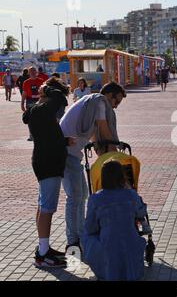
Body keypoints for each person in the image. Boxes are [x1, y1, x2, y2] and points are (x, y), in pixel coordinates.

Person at [60, 81, 127, 251]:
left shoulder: (92, 102)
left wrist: (107, 156)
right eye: (116, 102)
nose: (116, 107)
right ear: (109, 96)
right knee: (75, 198)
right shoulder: (100, 103)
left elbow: (96, 139)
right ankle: (73, 241)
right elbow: (105, 133)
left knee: (80, 196)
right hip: (66, 153)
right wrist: (115, 159)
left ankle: (80, 235)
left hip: (71, 154)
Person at [22, 77, 74, 268]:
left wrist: (64, 141)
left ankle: (43, 248)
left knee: (42, 205)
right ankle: (43, 255)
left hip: (44, 160)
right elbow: (60, 97)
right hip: (49, 163)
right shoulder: (44, 109)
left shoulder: (36, 110)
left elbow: (46, 134)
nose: (60, 113)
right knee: (47, 208)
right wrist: (47, 89)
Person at [82, 160, 147, 281]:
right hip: (131, 245)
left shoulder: (95, 199)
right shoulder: (131, 195)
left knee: (86, 235)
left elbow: (90, 227)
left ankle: (103, 270)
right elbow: (142, 212)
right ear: (122, 178)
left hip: (108, 248)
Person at [22, 67, 45, 141]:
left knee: (41, 118)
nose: (32, 72)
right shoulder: (26, 82)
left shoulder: (41, 81)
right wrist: (22, 103)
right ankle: (31, 135)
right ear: (28, 73)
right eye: (31, 71)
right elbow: (24, 93)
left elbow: (45, 92)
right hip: (29, 101)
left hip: (40, 101)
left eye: (34, 71)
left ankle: (41, 134)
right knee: (30, 119)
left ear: (36, 72)